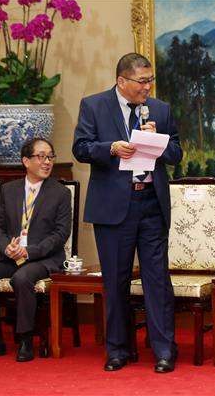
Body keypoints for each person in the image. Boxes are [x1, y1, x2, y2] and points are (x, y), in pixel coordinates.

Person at [73, 52, 182, 373]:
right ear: (122, 81)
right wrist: (110, 148)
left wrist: (158, 141)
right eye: (142, 81)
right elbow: (80, 148)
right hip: (113, 208)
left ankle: (164, 350)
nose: (148, 87)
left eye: (151, 80)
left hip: (151, 204)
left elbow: (176, 153)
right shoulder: (94, 106)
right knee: (116, 280)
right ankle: (119, 349)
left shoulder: (160, 109)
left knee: (157, 280)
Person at [0, 138, 71, 362]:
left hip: (43, 258)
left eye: (50, 157)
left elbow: (60, 234)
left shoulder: (60, 192)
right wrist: (7, 247)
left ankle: (25, 339)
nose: (47, 162)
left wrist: (29, 251)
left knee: (22, 278)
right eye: (41, 156)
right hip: (11, 256)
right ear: (26, 161)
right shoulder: (9, 190)